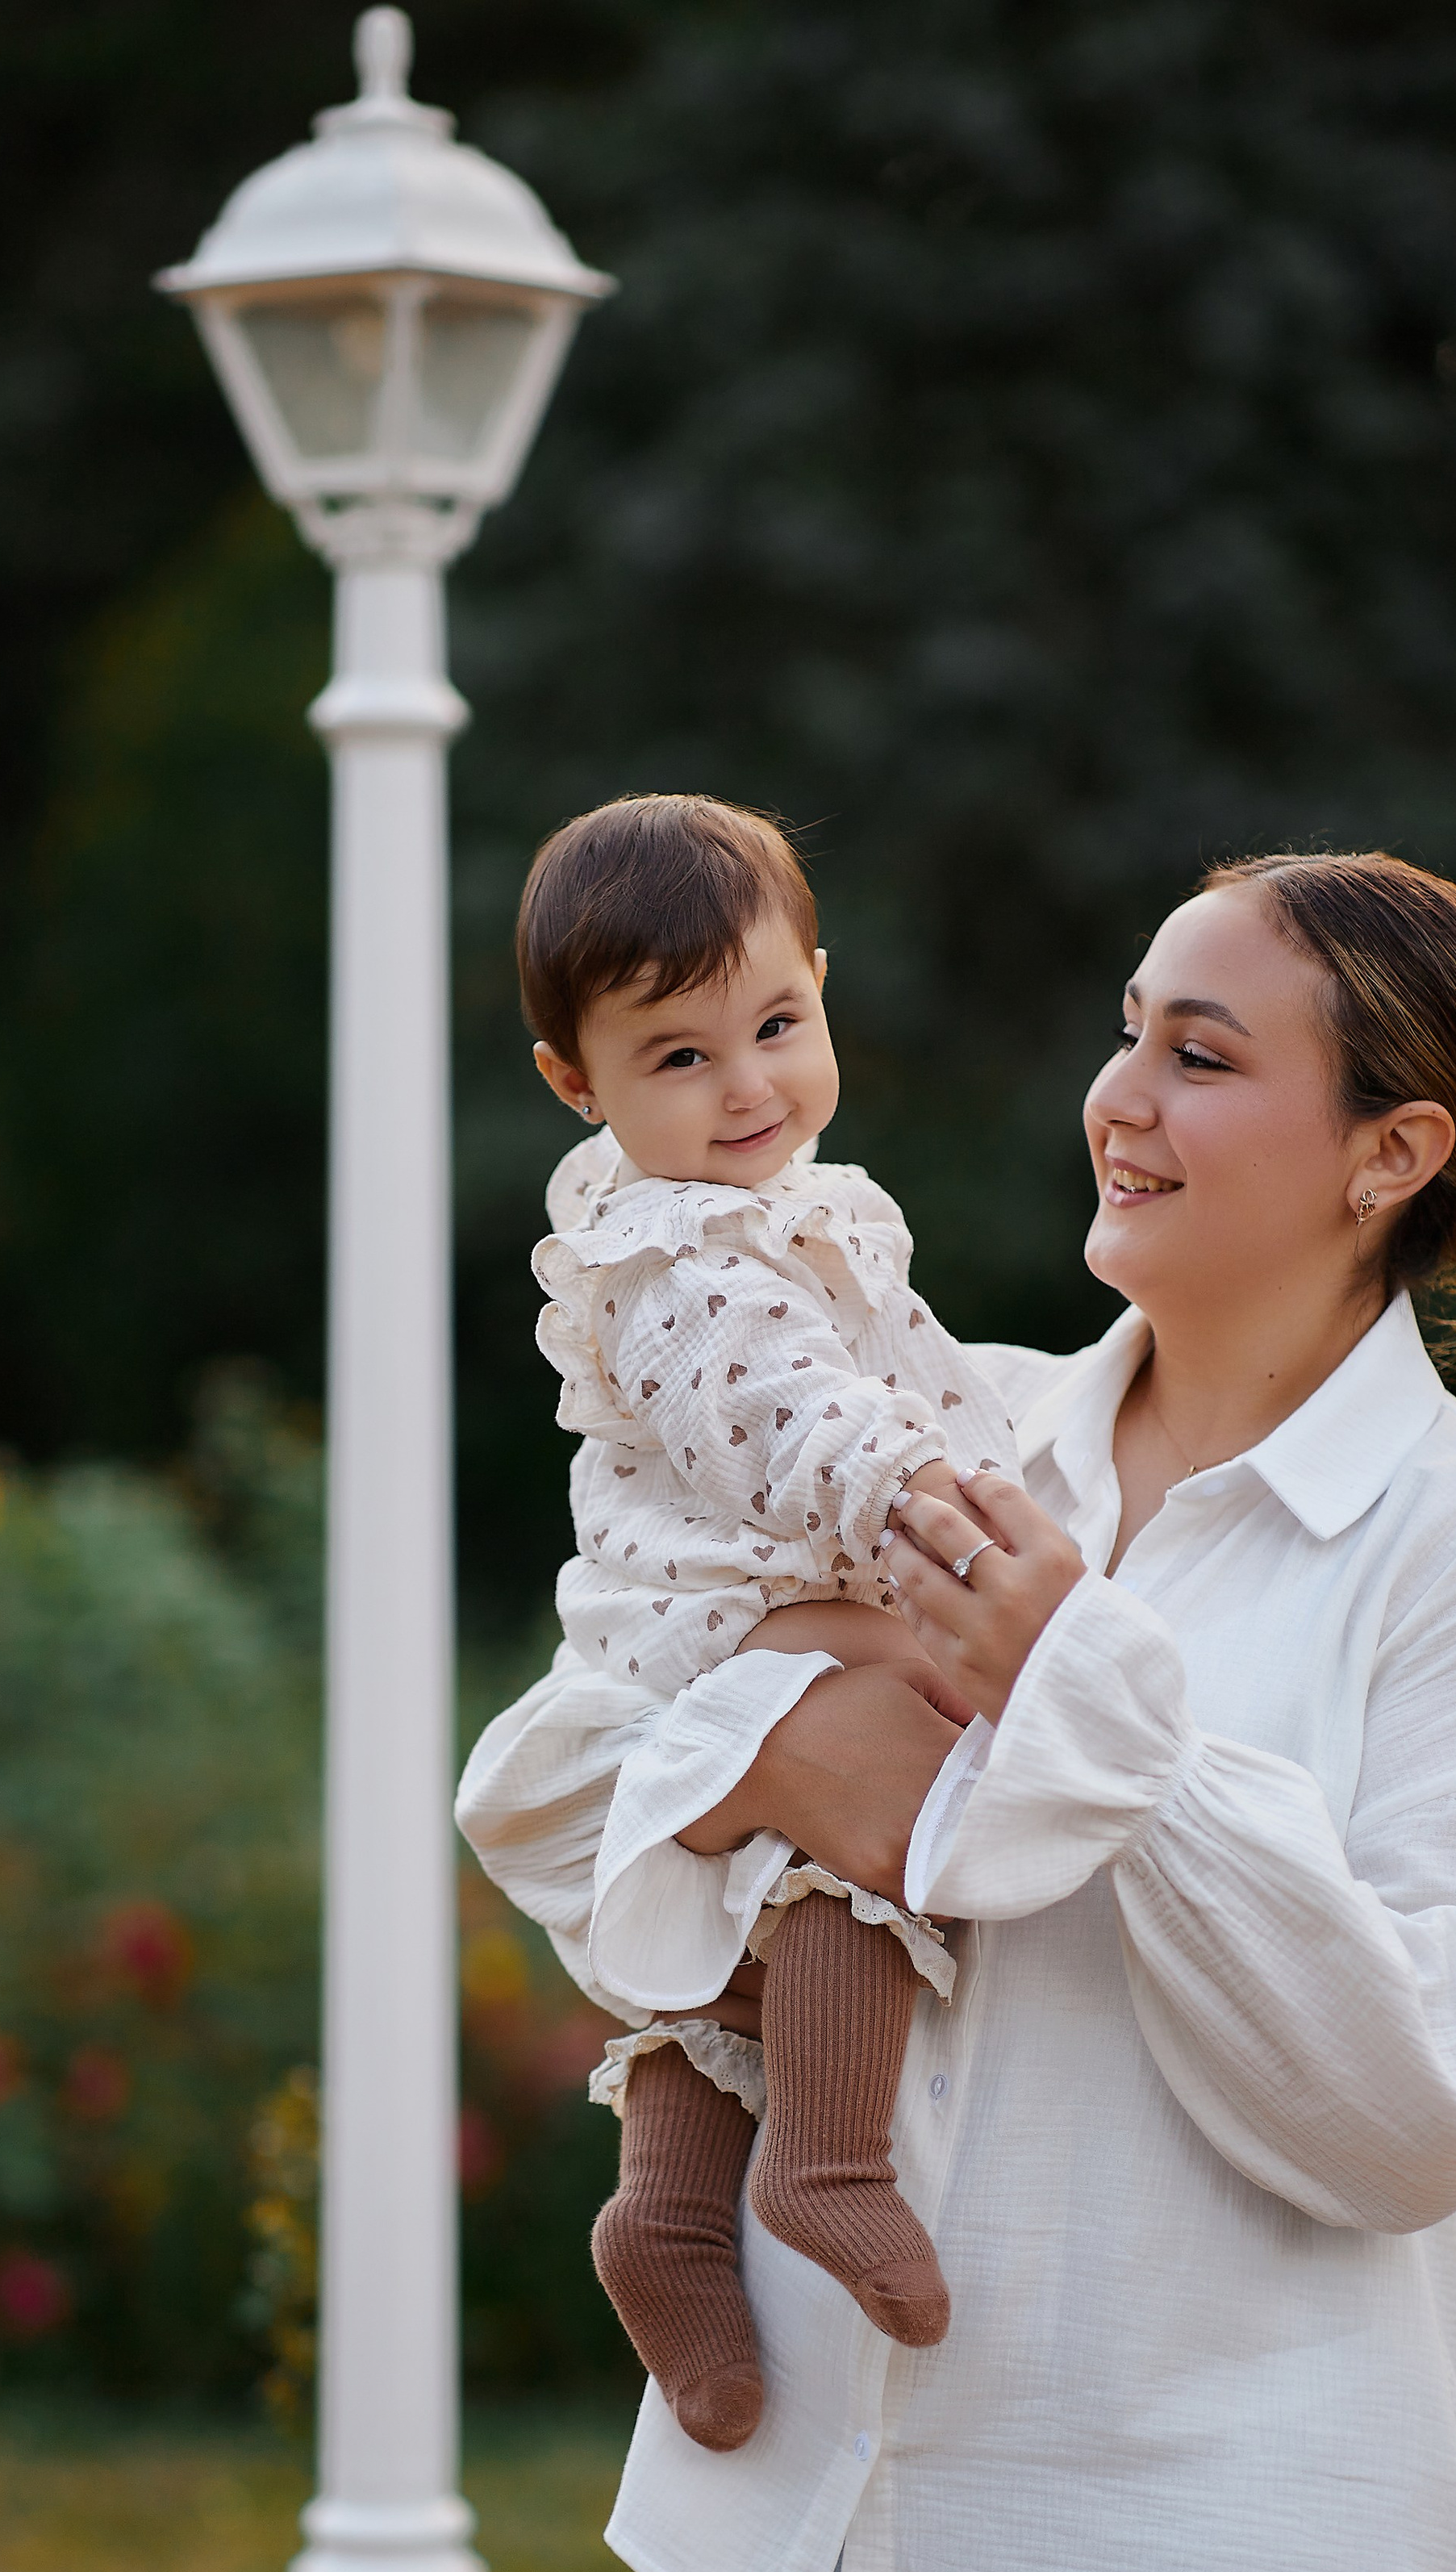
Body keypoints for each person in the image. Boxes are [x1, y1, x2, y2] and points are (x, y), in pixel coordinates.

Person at [457, 849, 1456, 2572]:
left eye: (1202, 1057)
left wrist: (1089, 1708)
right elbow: (541, 1784)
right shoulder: (927, 1433)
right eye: (1130, 1032)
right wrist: (809, 1745)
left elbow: (1414, 2109)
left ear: (1390, 1154)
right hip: (818, 2558)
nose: (1120, 1096)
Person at [515, 794, 1016, 2452]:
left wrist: (990, 1472)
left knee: (720, 1909)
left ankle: (662, 2213)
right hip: (733, 1619)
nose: (745, 1087)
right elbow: (786, 1416)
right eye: (676, 1057)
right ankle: (824, 2157)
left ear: (818, 987)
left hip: (756, 1606)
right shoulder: (672, 1254)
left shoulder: (798, 1204)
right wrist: (925, 1502)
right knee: (880, 1797)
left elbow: (903, 1372)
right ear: (574, 1083)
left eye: (776, 1025)